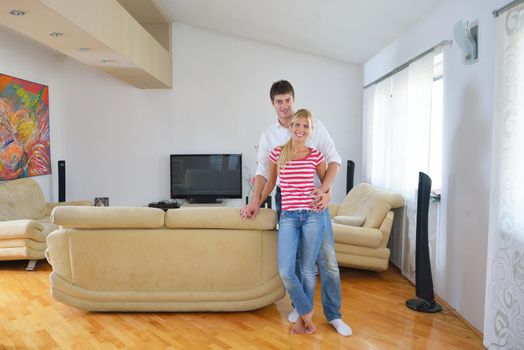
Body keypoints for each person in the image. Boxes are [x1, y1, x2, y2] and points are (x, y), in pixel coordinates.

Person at [240, 80, 352, 337]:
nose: (284, 105)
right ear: (272, 104)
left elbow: (333, 159)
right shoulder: (269, 137)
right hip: (287, 201)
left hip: (315, 202)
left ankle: (333, 315)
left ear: (294, 99)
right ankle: (302, 310)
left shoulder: (314, 125)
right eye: (278, 101)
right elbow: (263, 173)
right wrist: (255, 200)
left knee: (328, 261)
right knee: (297, 262)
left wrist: (325, 190)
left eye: (287, 100)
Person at [257, 109, 326, 334]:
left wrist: (325, 195)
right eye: (297, 125)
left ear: (310, 130)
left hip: (313, 216)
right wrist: (256, 203)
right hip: (288, 217)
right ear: (290, 127)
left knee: (307, 270)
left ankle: (301, 319)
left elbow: (327, 185)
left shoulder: (316, 155)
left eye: (305, 126)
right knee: (286, 270)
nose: (300, 130)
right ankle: (307, 313)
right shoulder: (278, 153)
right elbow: (271, 183)